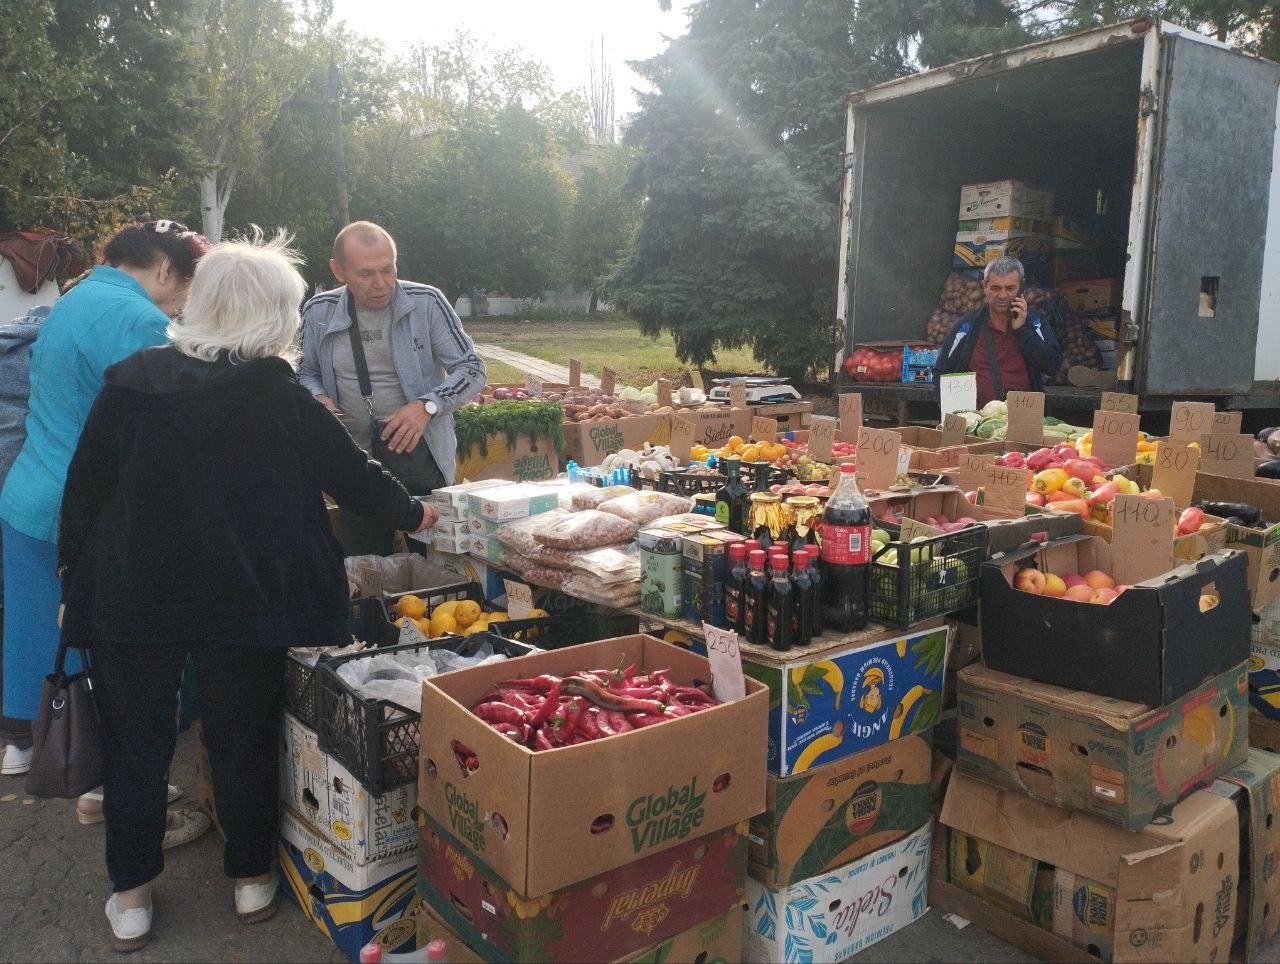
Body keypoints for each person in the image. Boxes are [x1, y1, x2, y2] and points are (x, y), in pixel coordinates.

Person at [57, 232, 438, 951]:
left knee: (133, 746)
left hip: (133, 594)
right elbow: (353, 477)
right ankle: (250, 877)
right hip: (244, 597)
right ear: (274, 314)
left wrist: (72, 576)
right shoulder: (276, 393)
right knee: (242, 735)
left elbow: (85, 493)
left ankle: (131, 893)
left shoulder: (131, 379)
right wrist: (416, 513)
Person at [0, 222, 210, 781]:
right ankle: (86, 759)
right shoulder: (138, 319)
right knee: (95, 633)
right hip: (81, 503)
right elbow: (164, 420)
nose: (187, 296)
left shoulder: (75, 297)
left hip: (28, 489)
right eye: (189, 281)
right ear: (166, 268)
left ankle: (24, 742)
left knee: (32, 625)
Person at [298, 221, 486, 555]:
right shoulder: (318, 311)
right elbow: (304, 372)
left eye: (388, 270)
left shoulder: (427, 303)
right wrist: (318, 398)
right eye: (366, 274)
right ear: (338, 271)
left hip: (421, 456)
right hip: (355, 462)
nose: (381, 284)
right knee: (367, 562)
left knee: (435, 560)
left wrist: (427, 407)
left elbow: (472, 369)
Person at [932, 256, 1062, 409]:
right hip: (977, 423)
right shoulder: (966, 326)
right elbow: (941, 373)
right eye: (995, 288)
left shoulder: (1036, 322)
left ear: (1021, 287)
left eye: (1010, 288)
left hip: (1024, 420)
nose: (1002, 295)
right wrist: (958, 414)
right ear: (984, 287)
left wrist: (1021, 330)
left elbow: (1053, 366)